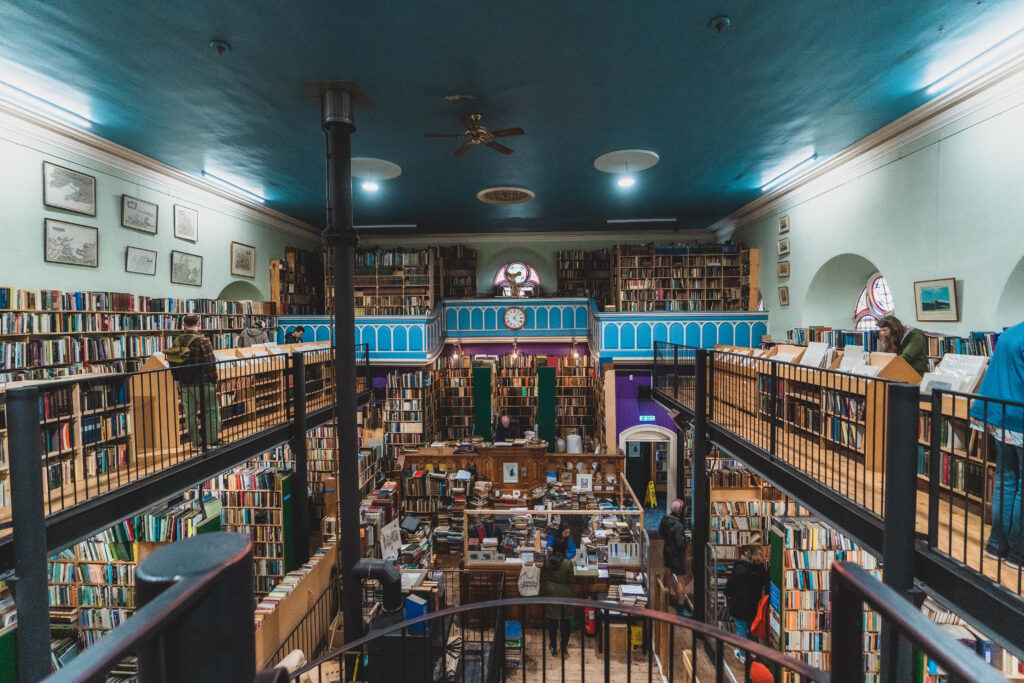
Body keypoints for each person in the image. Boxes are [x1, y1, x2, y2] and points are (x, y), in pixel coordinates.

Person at [970, 320, 1024, 567]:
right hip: (1020, 416)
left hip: (999, 414)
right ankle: (1018, 552)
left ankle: (996, 544)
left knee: (1005, 480)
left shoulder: (1010, 333)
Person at [171, 314, 221, 448]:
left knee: (190, 414)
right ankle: (211, 441)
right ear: (198, 324)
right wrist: (213, 380)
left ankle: (196, 443)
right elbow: (210, 362)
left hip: (185, 383)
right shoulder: (202, 341)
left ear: (184, 325)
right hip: (203, 382)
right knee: (211, 411)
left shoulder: (177, 340)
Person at [725, 545, 769, 662]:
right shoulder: (761, 571)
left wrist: (728, 594)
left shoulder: (740, 569)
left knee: (741, 630)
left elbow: (730, 587)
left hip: (739, 606)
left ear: (746, 556)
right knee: (752, 629)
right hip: (754, 606)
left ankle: (743, 653)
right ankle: (754, 653)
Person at [659, 498, 691, 617]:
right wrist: (685, 543)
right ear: (680, 510)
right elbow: (680, 544)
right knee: (681, 580)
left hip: (667, 551)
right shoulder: (678, 525)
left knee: (667, 573)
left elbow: (661, 532)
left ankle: (666, 598)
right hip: (677, 555)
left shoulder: (665, 519)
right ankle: (680, 608)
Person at [542, 550, 573, 657]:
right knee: (566, 621)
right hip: (565, 593)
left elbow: (543, 573)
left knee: (552, 621)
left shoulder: (547, 560)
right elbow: (571, 581)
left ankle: (554, 646)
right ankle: (563, 647)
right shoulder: (568, 563)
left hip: (551, 592)